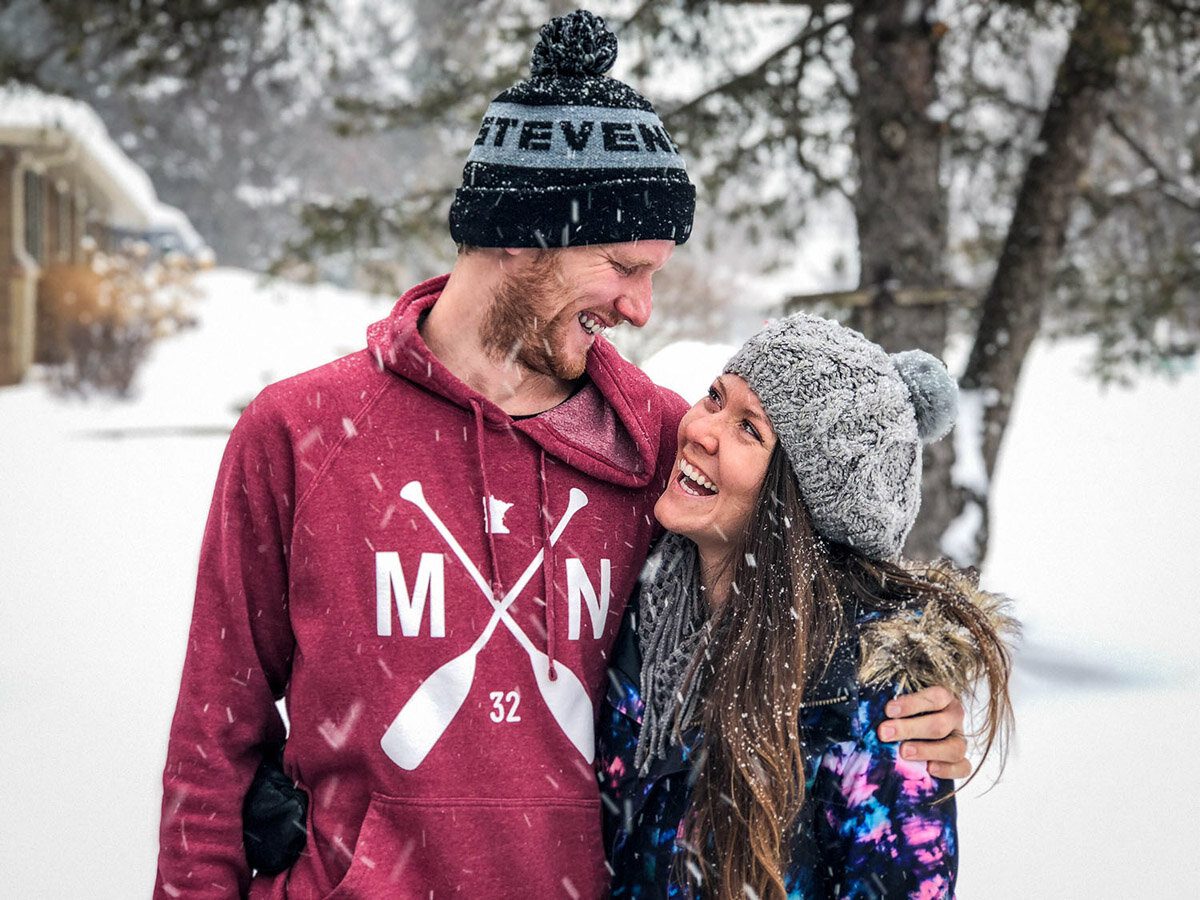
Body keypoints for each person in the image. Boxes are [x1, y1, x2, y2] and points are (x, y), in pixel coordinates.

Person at [154, 10, 972, 899]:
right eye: (623, 265)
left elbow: (815, 581)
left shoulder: (662, 446)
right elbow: (213, 741)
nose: (641, 308)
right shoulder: (301, 432)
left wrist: (912, 707)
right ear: (522, 233)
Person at [598, 313, 1017, 899]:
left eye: (750, 429)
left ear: (799, 504)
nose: (702, 429)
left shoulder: (865, 694)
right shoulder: (641, 606)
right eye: (715, 397)